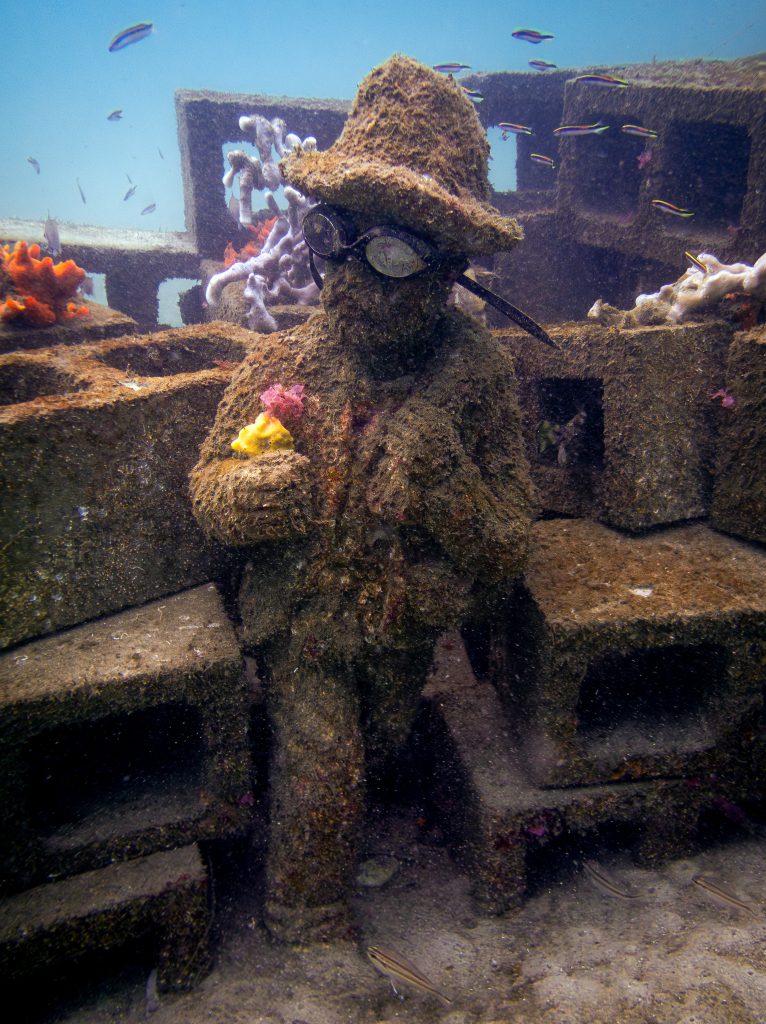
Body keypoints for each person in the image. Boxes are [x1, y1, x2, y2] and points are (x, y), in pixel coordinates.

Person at [189, 54, 541, 942]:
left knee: (380, 739)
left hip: (401, 623)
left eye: (387, 254)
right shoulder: (282, 361)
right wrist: (251, 491)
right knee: (328, 761)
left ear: (447, 265)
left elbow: (505, 541)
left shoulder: (476, 378)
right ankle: (305, 918)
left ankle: (352, 813)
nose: (344, 278)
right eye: (330, 240)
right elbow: (208, 488)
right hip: (302, 621)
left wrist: (445, 484)